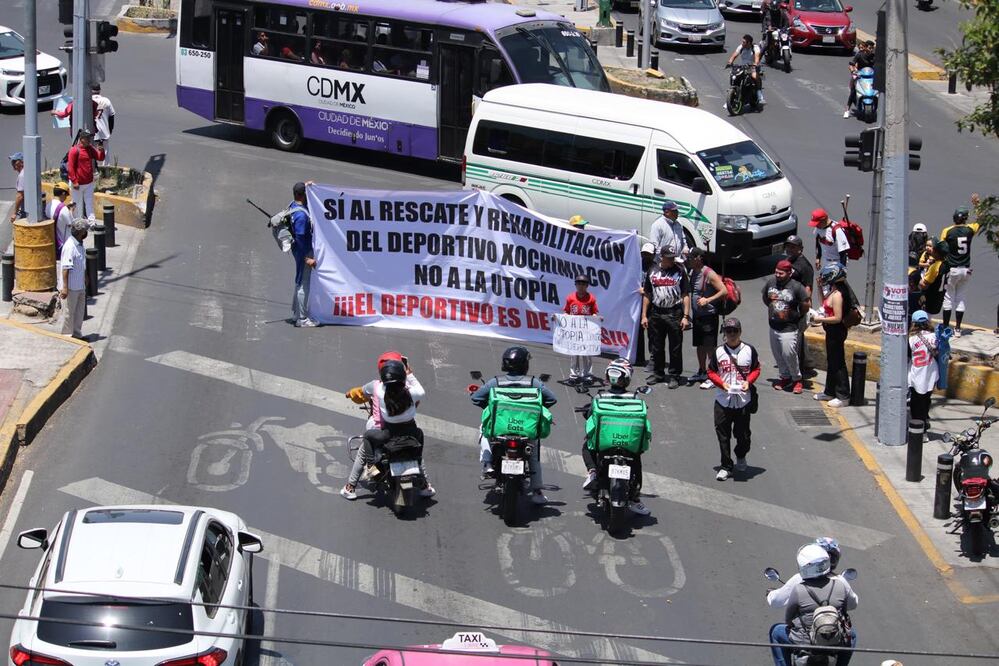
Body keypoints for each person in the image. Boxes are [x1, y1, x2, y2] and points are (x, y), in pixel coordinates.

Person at [470, 346, 557, 504]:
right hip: (526, 431)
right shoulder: (534, 383)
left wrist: (492, 409)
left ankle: (487, 462)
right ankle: (537, 491)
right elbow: (551, 399)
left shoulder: (495, 382)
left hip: (499, 429)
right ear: (524, 364)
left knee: (483, 428)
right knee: (534, 453)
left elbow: (476, 398)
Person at [341, 356, 434, 500]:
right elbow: (420, 391)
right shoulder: (412, 393)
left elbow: (362, 392)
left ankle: (354, 483)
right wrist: (409, 373)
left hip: (388, 433)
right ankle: (425, 485)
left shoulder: (379, 390)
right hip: (411, 431)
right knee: (418, 450)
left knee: (367, 438)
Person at [580, 358, 651, 515]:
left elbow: (590, 415)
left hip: (604, 445)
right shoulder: (635, 399)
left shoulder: (599, 398)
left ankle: (592, 472)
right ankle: (635, 498)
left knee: (587, 446)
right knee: (636, 459)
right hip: (628, 446)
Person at [768, 544, 859, 666]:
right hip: (833, 640)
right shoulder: (840, 585)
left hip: (804, 642)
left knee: (775, 631)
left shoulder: (799, 589)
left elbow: (788, 620)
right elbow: (844, 613)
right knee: (852, 635)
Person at [707, 317, 760, 481]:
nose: (731, 334)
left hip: (743, 400)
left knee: (743, 435)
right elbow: (711, 371)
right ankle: (726, 465)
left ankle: (741, 454)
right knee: (723, 435)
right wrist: (721, 384)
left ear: (740, 332)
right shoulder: (718, 352)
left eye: (734, 331)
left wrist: (748, 382)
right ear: (724, 333)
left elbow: (756, 369)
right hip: (723, 400)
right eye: (728, 331)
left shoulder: (749, 350)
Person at [642, 247, 691, 388]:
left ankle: (675, 375)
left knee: (675, 346)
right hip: (656, 312)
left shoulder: (680, 271)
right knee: (657, 346)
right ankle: (658, 373)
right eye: (669, 257)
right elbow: (647, 294)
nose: (671, 260)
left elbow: (685, 294)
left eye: (673, 257)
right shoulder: (652, 271)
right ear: (661, 257)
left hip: (674, 312)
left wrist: (686, 316)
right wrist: (644, 315)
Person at [762, 260, 810, 394]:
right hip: (773, 326)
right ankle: (785, 377)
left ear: (789, 273)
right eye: (776, 272)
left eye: (781, 273)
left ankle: (796, 379)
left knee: (789, 354)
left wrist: (797, 315)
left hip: (789, 327)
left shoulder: (796, 286)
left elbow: (805, 304)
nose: (777, 275)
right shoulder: (771, 283)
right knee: (778, 354)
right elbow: (766, 298)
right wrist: (774, 308)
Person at [939, 196, 982, 336]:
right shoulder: (970, 229)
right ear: (965, 218)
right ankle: (957, 328)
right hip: (966, 269)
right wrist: (977, 204)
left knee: (948, 298)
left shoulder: (947, 231)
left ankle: (946, 327)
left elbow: (942, 248)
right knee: (961, 297)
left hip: (953, 269)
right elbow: (981, 220)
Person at [810, 263, 852, 407]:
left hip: (836, 331)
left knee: (838, 362)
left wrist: (819, 319)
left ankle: (843, 396)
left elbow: (837, 318)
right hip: (831, 331)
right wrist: (820, 287)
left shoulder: (839, 294)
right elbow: (825, 303)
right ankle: (830, 391)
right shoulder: (834, 290)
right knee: (832, 361)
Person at [688, 248, 727, 389]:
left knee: (710, 347)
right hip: (698, 316)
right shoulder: (692, 272)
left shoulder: (709, 273)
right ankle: (702, 371)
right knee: (699, 345)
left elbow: (724, 291)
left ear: (698, 258)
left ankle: (713, 375)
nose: (689, 260)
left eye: (691, 258)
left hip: (709, 316)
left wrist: (708, 300)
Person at [768, 537, 844, 608]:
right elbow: (853, 604)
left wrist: (770, 594)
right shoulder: (841, 580)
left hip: (806, 621)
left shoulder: (799, 579)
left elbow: (776, 601)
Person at [784, 235, 815, 376]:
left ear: (800, 249)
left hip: (798, 307)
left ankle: (800, 370)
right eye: (788, 246)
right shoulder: (788, 261)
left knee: (797, 339)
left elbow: (808, 289)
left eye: (793, 246)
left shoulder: (805, 266)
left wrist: (804, 308)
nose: (789, 249)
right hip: (787, 306)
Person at [288, 181, 318, 327]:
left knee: (299, 280)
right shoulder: (301, 216)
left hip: (298, 251)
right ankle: (302, 319)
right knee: (303, 283)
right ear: (303, 195)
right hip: (303, 252)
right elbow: (300, 238)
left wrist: (306, 185)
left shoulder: (292, 205)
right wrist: (307, 258)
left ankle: (296, 314)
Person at [562, 274, 600, 384]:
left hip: (586, 330)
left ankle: (587, 375)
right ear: (575, 285)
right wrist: (560, 317)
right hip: (574, 330)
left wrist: (597, 319)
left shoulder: (591, 298)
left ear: (587, 286)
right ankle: (574, 375)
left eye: (583, 284)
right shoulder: (570, 297)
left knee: (586, 353)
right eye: (579, 283)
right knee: (574, 353)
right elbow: (566, 311)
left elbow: (594, 312)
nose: (581, 286)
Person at [59, 219, 90, 339]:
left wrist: (85, 277)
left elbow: (82, 263)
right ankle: (67, 337)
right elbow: (65, 268)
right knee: (68, 314)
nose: (86, 233)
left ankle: (77, 334)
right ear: (80, 232)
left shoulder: (80, 244)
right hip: (71, 287)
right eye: (85, 230)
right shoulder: (70, 247)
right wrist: (65, 288)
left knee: (79, 312)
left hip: (80, 285)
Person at [908, 310, 938, 431]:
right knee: (926, 400)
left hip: (917, 375)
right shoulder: (935, 337)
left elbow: (908, 357)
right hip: (931, 375)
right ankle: (925, 420)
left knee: (916, 404)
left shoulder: (911, 340)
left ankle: (920, 430)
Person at [67, 129, 105, 221]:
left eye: (90, 138)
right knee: (75, 203)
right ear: (82, 139)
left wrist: (102, 151)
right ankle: (74, 221)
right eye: (87, 138)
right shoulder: (74, 150)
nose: (89, 140)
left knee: (89, 203)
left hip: (89, 183)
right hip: (78, 184)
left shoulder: (90, 148)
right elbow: (70, 167)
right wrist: (74, 181)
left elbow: (100, 158)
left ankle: (91, 221)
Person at [635, 242, 657, 368]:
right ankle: (639, 358)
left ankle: (653, 359)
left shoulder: (656, 268)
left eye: (648, 254)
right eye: (644, 254)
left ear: (653, 255)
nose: (645, 257)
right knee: (638, 331)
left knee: (652, 333)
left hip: (652, 304)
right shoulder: (637, 266)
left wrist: (647, 290)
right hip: (638, 303)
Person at [727, 34, 764, 106]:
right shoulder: (741, 47)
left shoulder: (755, 48)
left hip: (752, 67)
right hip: (742, 67)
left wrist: (755, 64)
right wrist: (730, 62)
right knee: (734, 76)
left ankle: (759, 94)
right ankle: (730, 98)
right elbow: (734, 55)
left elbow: (757, 57)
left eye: (744, 42)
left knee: (754, 76)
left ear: (749, 43)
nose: (742, 43)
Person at [844, 40, 876, 118]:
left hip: (871, 77)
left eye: (872, 48)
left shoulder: (874, 56)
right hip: (860, 76)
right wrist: (853, 71)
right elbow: (851, 64)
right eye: (869, 48)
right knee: (853, 91)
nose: (871, 50)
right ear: (865, 48)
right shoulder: (859, 55)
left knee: (879, 91)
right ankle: (847, 110)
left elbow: (878, 65)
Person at [47, 181, 76, 254]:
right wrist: (71, 211)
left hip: (53, 242)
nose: (66, 198)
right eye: (66, 195)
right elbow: (72, 224)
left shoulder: (48, 205)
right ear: (63, 193)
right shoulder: (63, 209)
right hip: (64, 244)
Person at [91, 84, 115, 165]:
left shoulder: (87, 100)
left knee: (91, 153)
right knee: (106, 154)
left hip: (92, 133)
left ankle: (94, 171)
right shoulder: (106, 100)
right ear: (99, 90)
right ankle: (106, 172)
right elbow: (112, 116)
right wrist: (110, 130)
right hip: (104, 132)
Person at [9, 152, 25, 223]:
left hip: (25, 210)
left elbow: (20, 196)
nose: (12, 163)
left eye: (14, 161)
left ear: (21, 163)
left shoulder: (22, 176)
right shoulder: (25, 172)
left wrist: (14, 213)